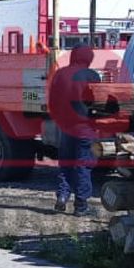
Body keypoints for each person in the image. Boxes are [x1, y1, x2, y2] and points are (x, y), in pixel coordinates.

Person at [47, 45, 102, 217]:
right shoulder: (92, 76)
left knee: (65, 164)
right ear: (88, 58)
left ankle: (62, 196)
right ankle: (81, 205)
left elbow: (52, 101)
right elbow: (98, 104)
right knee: (83, 165)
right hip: (86, 128)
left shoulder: (60, 74)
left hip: (65, 127)